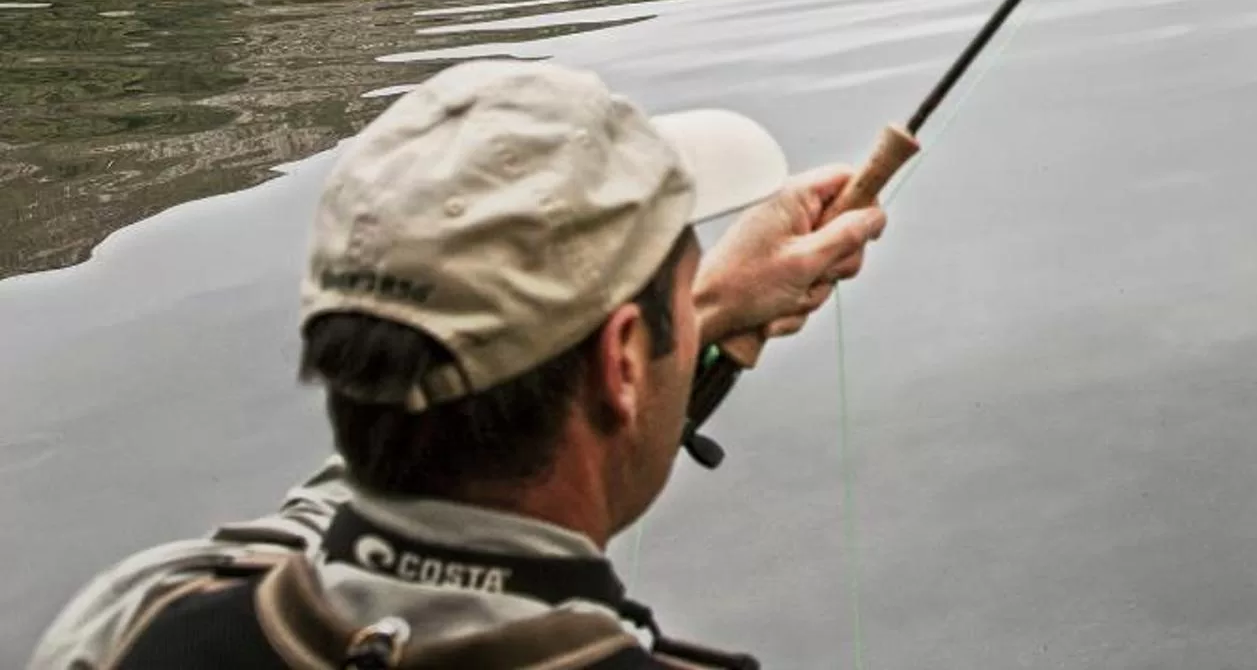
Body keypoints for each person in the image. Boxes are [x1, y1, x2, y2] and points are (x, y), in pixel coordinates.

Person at [30, 60, 890, 670]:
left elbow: (349, 515)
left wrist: (700, 315)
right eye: (684, 274)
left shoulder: (132, 618)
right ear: (623, 360)